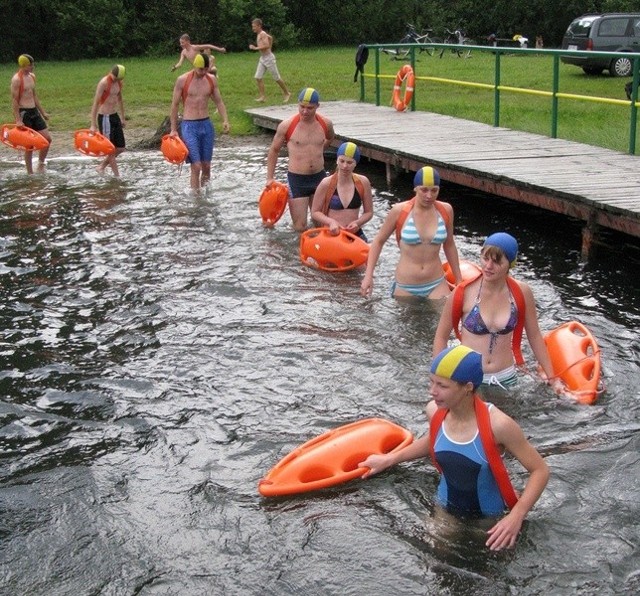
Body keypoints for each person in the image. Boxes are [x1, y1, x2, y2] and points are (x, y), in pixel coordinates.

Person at [358, 345, 549, 552]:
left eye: (442, 385)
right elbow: (434, 440)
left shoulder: (498, 425)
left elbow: (540, 470)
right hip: (445, 508)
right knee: (436, 559)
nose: (432, 391)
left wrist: (516, 516)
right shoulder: (435, 411)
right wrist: (389, 459)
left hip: (490, 517)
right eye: (431, 382)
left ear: (467, 387)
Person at [432, 232, 555, 388]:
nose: (488, 266)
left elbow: (535, 336)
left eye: (497, 261)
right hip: (468, 378)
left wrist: (552, 377)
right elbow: (441, 337)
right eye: (485, 258)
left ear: (510, 264)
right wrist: (438, 379)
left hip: (506, 376)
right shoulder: (463, 292)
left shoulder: (522, 292)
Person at [360, 166, 462, 299]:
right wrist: (368, 276)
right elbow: (378, 241)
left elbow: (449, 245)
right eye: (424, 190)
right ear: (415, 188)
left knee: (444, 318)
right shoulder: (399, 211)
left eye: (434, 190)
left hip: (436, 283)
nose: (429, 195)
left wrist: (459, 280)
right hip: (406, 285)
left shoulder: (445, 210)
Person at [266, 87, 335, 231]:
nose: (304, 111)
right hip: (297, 179)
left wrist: (319, 151)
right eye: (301, 107)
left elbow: (330, 138)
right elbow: (274, 150)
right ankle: (297, 253)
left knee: (321, 225)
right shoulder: (287, 126)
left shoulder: (325, 124)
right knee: (300, 226)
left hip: (319, 178)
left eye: (309, 108)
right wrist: (269, 178)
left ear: (317, 106)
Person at [169, 53, 230, 191]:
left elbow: (219, 101)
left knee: (206, 166)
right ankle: (196, 199)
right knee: (196, 166)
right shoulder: (182, 80)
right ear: (194, 66)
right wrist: (173, 129)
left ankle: (206, 197)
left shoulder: (211, 80)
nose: (203, 72)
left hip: (206, 125)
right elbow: (174, 105)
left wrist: (225, 120)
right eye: (200, 69)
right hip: (189, 126)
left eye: (205, 69)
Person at [310, 141, 373, 241]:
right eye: (342, 161)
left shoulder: (363, 182)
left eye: (349, 162)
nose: (344, 166)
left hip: (353, 233)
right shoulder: (326, 183)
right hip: (332, 233)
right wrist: (331, 222)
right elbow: (315, 212)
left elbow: (369, 212)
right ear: (337, 160)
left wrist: (358, 222)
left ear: (355, 163)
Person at [10, 54, 52, 174]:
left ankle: (41, 163)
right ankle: (30, 173)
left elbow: (34, 96)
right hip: (24, 113)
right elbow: (15, 100)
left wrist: (42, 112)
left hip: (34, 111)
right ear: (24, 65)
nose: (33, 67)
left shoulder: (32, 76)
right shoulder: (17, 80)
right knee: (29, 145)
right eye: (30, 65)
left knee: (47, 139)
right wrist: (18, 120)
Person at [90, 64, 126, 177]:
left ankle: (101, 167)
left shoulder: (119, 83)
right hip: (105, 117)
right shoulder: (104, 83)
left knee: (120, 148)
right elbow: (95, 103)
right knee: (110, 149)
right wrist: (93, 124)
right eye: (116, 79)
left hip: (114, 116)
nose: (117, 81)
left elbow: (120, 100)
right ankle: (117, 177)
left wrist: (122, 117)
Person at [249, 18, 291, 103]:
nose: (253, 28)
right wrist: (269, 49)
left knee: (276, 78)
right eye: (252, 26)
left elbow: (267, 45)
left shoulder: (262, 34)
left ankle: (287, 93)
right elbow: (271, 38)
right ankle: (263, 97)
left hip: (269, 59)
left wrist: (255, 48)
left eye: (254, 26)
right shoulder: (259, 34)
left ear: (259, 26)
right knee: (258, 77)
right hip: (263, 58)